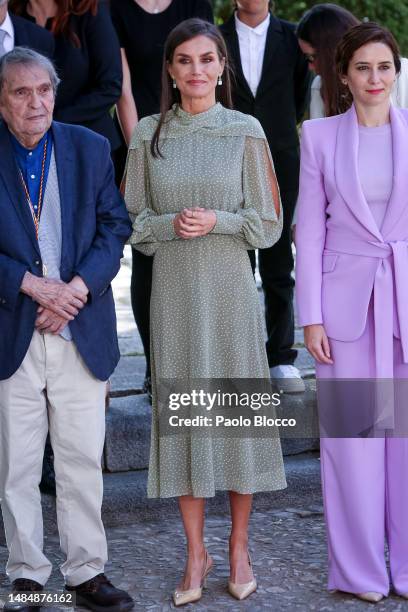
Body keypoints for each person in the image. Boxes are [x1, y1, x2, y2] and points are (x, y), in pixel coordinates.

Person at [124, 17, 286, 606]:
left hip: (233, 297)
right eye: (184, 60)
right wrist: (173, 224)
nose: (197, 70)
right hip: (173, 297)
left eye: (207, 59)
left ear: (222, 67)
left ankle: (239, 544)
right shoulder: (147, 134)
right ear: (169, 69)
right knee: (188, 421)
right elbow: (133, 222)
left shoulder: (246, 130)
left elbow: (268, 225)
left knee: (239, 424)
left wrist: (218, 221)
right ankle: (196, 553)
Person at [0, 47, 133, 612]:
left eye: (44, 90)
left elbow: (114, 225)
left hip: (79, 326)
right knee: (17, 463)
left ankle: (85, 574)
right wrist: (33, 286)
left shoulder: (91, 146)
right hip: (13, 330)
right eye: (21, 92)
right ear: (1, 100)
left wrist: (74, 291)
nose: (36, 103)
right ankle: (28, 574)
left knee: (80, 459)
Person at [296, 22, 408, 603]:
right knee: (354, 446)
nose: (374, 78)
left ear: (397, 71)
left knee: (406, 445)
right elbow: (309, 228)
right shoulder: (317, 136)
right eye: (362, 67)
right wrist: (309, 316)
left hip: (406, 307)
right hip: (344, 314)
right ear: (343, 74)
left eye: (384, 67)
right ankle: (361, 575)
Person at [111, 0, 213, 400]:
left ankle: (207, 364)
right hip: (143, 139)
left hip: (198, 134)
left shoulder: (194, 2)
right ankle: (158, 369)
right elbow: (122, 88)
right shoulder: (116, 8)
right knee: (148, 258)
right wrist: (146, 147)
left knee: (202, 248)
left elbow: (205, 63)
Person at [220, 0, 311, 393]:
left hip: (281, 157)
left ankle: (280, 356)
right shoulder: (215, 37)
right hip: (227, 156)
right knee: (234, 263)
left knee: (277, 264)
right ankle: (238, 358)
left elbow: (301, 95)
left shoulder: (292, 37)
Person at [9, 0, 122, 152]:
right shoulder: (10, 17)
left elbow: (110, 86)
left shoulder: (89, 9)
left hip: (88, 145)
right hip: (28, 148)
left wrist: (51, 120)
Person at [297, 3, 408, 118]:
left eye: (313, 57)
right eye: (363, 68)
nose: (375, 79)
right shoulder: (320, 86)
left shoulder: (404, 72)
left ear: (330, 52)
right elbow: (318, 133)